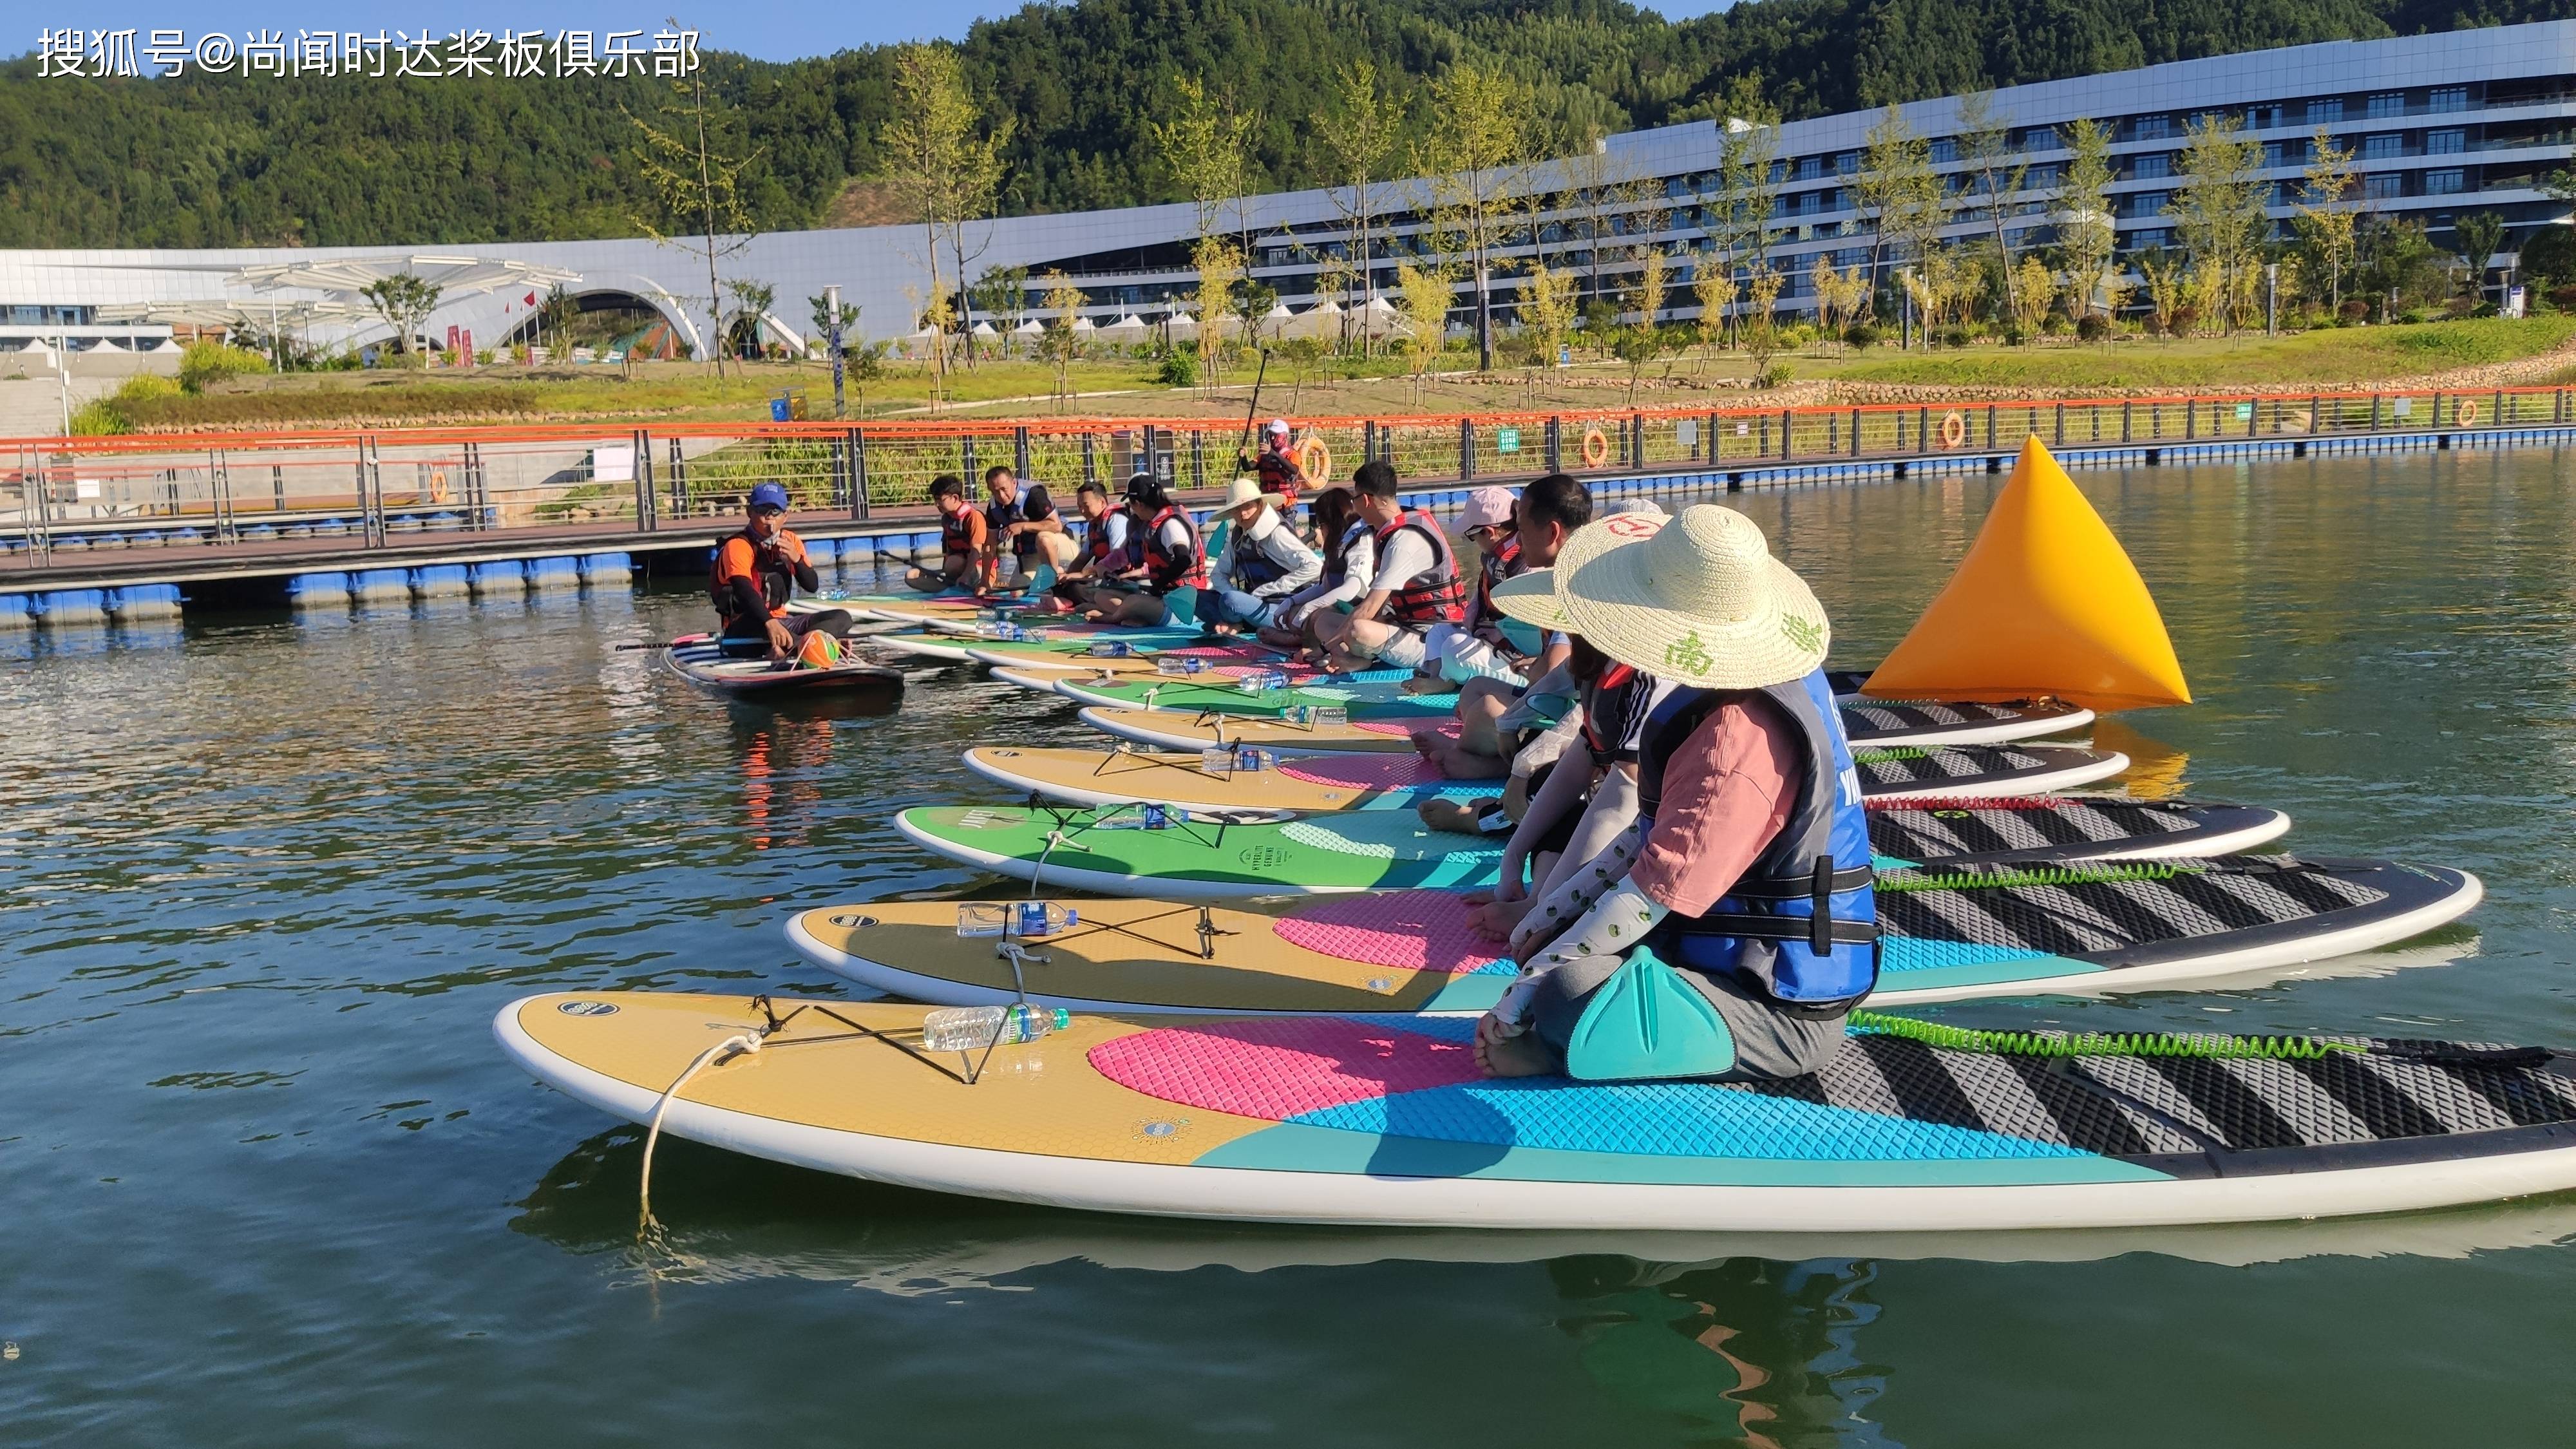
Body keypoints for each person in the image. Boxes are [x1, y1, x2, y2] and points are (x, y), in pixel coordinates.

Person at [1470, 505, 1877, 1086]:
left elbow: (1648, 893)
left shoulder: (1736, 740)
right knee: (1561, 940)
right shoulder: (1718, 695)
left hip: (1775, 1005)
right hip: (1712, 948)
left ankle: (1559, 1049)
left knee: (1567, 991)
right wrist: (1548, 914)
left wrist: (1527, 988)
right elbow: (1647, 835)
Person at [1416, 474, 1595, 779]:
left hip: (1583, 721)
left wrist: (1517, 709)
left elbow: (1554, 676)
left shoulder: (1580, 589)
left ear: (1552, 532)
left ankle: (1492, 764)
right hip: (1563, 701)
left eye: (1522, 531)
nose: (1518, 540)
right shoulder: (1567, 577)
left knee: (1488, 709)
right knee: (1475, 689)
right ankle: (1482, 756)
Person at [1307, 459, 1465, 672]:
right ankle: (1357, 657)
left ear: (1365, 500)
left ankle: (1356, 659)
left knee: (1357, 629)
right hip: (1404, 626)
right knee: (1322, 619)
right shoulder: (1394, 527)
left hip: (1433, 639)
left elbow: (1370, 607)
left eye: (1355, 500)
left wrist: (1324, 650)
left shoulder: (1405, 540)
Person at [710, 481, 854, 659]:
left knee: (842, 617)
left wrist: (797, 560)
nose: (769, 518)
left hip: (783, 621)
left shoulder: (791, 541)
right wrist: (769, 622)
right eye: (762, 511)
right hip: (745, 629)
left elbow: (812, 585)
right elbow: (744, 590)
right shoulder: (738, 546)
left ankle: (801, 646)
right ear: (750, 513)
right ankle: (817, 647)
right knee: (759, 622)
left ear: (785, 516)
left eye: (775, 512)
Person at [1084, 473, 1207, 626]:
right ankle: (1137, 618)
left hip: (1183, 606)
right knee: (1102, 596)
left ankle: (1113, 618)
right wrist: (1105, 569)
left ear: (1139, 504)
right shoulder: (1151, 525)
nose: (1132, 511)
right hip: (1164, 598)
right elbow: (1131, 555)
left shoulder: (1170, 524)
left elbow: (1184, 559)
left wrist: (1159, 584)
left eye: (1131, 505)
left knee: (1133, 602)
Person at [1198, 478, 1321, 630]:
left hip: (1281, 608)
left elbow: (1315, 566)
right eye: (1237, 509)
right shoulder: (1237, 537)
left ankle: (1232, 622)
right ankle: (1236, 621)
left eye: (1248, 506)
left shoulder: (1277, 534)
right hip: (1252, 603)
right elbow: (1218, 574)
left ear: (1260, 505)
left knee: (1231, 602)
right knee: (1198, 598)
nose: (1243, 514)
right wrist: (1238, 595)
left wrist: (1269, 589)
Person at [1259, 485, 1370, 651]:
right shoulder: (1340, 543)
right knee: (1295, 612)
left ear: (1333, 523)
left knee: (1317, 618)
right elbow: (1325, 587)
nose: (1320, 530)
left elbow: (1352, 588)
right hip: (1341, 607)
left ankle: (1308, 645)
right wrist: (1291, 601)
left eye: (1322, 524)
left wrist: (1310, 607)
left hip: (1360, 609)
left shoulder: (1361, 542)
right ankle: (1302, 640)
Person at [981, 465, 1072, 585]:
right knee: (1017, 590)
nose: (1002, 496)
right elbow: (990, 545)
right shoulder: (994, 508)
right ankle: (1048, 575)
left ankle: (1055, 578)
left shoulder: (1034, 495)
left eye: (1004, 489)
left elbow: (1056, 526)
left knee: (1043, 538)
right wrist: (984, 582)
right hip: (1032, 553)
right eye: (996, 492)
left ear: (1013, 482)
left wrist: (1023, 526)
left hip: (1060, 546)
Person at [1052, 481, 1133, 605]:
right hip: (1101, 577)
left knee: (1076, 589)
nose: (1082, 511)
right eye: (1079, 507)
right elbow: (1082, 558)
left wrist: (1082, 574)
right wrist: (1066, 577)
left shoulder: (1116, 520)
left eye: (1086, 505)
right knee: (1061, 587)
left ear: (1102, 503)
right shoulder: (1093, 525)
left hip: (1120, 578)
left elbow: (1117, 558)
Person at [905, 475, 989, 593]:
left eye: (941, 500)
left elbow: (976, 552)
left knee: (954, 563)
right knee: (911, 575)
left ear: (955, 498)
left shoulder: (974, 517)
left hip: (977, 568)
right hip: (954, 569)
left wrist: (965, 576)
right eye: (936, 500)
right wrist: (943, 574)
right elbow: (948, 552)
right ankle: (949, 585)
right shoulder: (947, 519)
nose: (937, 504)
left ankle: (966, 584)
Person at [1251, 419, 1307, 512]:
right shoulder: (1264, 456)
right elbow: (1248, 467)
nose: (1272, 438)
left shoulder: (1293, 454)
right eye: (1271, 435)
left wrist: (1274, 454)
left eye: (1275, 435)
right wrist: (1243, 457)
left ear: (1284, 435)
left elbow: (1294, 470)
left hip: (1286, 504)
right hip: (1269, 503)